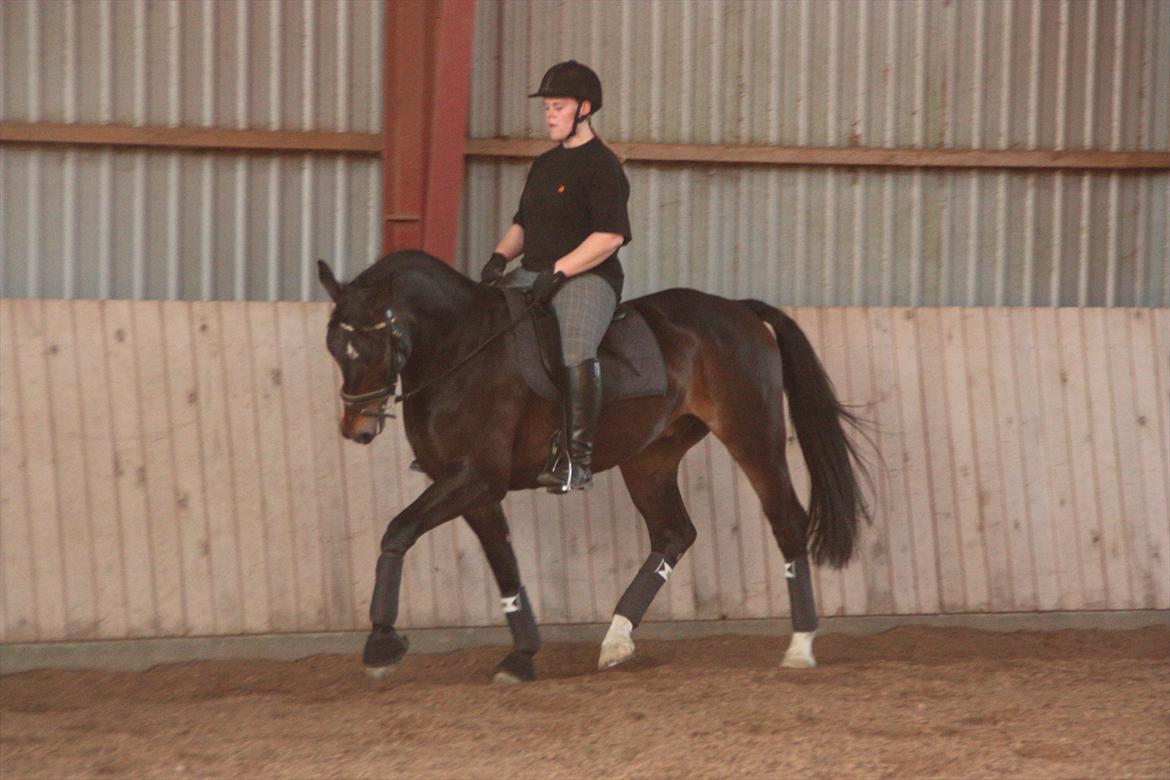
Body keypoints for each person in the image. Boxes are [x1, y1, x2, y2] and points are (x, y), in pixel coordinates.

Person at [481, 60, 632, 492]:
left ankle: (575, 458)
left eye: (558, 106)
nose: (549, 114)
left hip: (587, 277)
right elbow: (523, 225)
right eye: (547, 106)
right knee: (480, 322)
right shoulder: (545, 165)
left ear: (584, 109)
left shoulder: (603, 166)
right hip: (532, 272)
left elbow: (609, 237)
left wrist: (560, 270)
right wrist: (498, 257)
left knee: (576, 347)